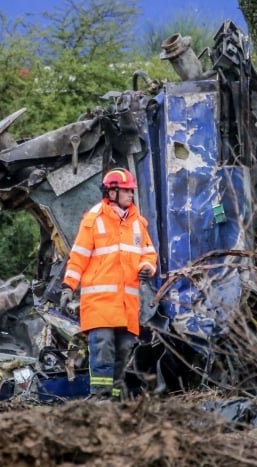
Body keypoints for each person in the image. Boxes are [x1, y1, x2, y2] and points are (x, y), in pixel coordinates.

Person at [60, 167, 157, 399]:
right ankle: (100, 397)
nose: (131, 195)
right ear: (112, 192)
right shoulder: (93, 220)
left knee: (123, 351)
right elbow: (78, 257)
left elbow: (149, 253)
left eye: (131, 191)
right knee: (102, 348)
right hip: (100, 303)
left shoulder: (138, 223)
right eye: (126, 191)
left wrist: (147, 268)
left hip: (127, 305)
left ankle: (113, 399)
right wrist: (68, 286)